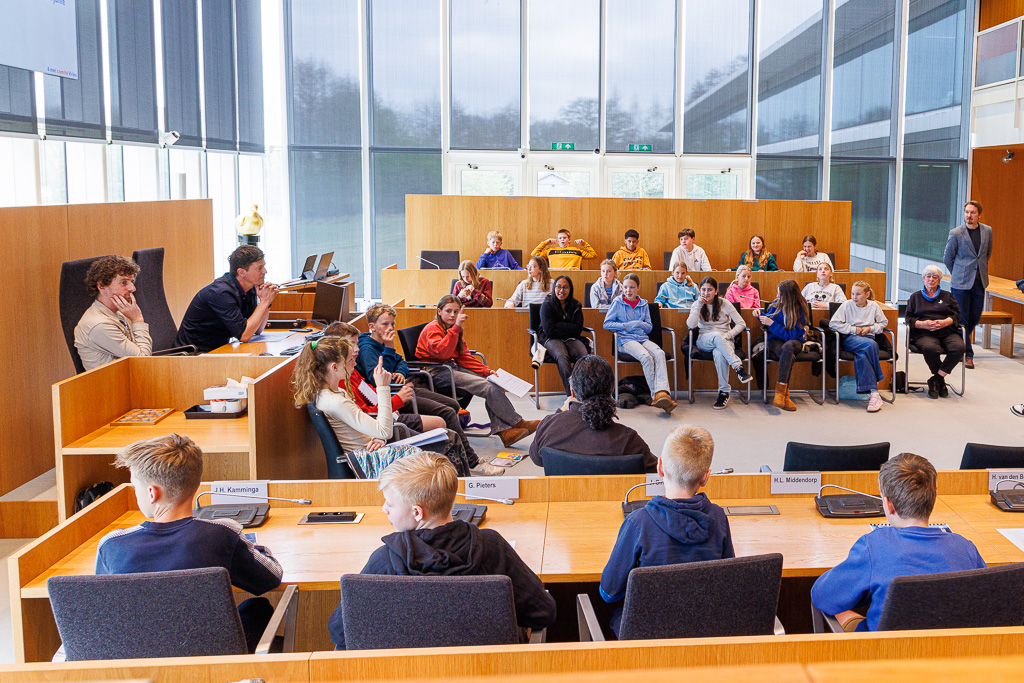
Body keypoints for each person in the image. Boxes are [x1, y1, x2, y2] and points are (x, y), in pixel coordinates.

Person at [326, 452, 557, 649]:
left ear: (417, 512)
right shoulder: (491, 546)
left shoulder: (386, 560)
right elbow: (543, 612)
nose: (384, 509)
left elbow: (340, 631)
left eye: (390, 503)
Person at [95, 434, 282, 653]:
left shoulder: (112, 545)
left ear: (151, 493)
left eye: (135, 488)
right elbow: (271, 578)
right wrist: (253, 546)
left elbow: (101, 607)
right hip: (212, 658)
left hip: (135, 658)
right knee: (258, 608)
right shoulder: (222, 534)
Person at [811, 453, 985, 632]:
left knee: (842, 611)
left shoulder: (874, 546)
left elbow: (822, 596)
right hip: (953, 648)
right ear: (933, 498)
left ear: (888, 504)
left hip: (884, 648)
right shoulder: (966, 548)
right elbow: (987, 601)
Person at [599, 425, 733, 636]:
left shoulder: (639, 523)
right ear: (705, 477)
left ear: (659, 467)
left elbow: (609, 591)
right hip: (703, 635)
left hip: (648, 639)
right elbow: (729, 582)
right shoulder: (718, 518)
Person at [325, 323, 500, 476]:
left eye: (356, 343)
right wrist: (395, 399)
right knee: (447, 426)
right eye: (351, 344)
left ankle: (466, 467)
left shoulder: (349, 373)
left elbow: (398, 364)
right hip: (388, 417)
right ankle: (469, 466)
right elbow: (371, 414)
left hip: (390, 407)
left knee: (450, 410)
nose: (356, 349)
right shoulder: (343, 381)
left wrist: (397, 370)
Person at [291, 336, 448, 476]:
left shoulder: (334, 393)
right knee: (447, 442)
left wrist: (377, 438)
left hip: (372, 449)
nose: (355, 363)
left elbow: (372, 429)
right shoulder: (336, 402)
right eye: (350, 360)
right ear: (334, 367)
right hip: (368, 460)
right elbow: (385, 431)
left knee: (445, 437)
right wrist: (383, 387)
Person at [416, 296, 539, 447]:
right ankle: (517, 423)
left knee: (493, 382)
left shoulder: (453, 328)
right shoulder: (433, 328)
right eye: (448, 311)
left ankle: (505, 432)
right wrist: (456, 328)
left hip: (449, 367)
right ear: (439, 311)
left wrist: (486, 371)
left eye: (456, 311)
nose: (453, 315)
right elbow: (442, 353)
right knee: (488, 388)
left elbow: (464, 357)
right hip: (435, 371)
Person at [529, 356, 655, 472]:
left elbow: (537, 459)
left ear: (572, 391)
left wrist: (558, 414)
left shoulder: (548, 427)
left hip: (564, 490)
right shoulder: (628, 440)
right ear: (611, 389)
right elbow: (658, 471)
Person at [174, 245, 279, 352]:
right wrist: (264, 302)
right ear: (242, 272)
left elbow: (257, 329)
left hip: (217, 350)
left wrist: (266, 302)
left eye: (264, 267)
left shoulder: (250, 288)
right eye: (259, 268)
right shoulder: (221, 293)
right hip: (193, 354)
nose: (265, 271)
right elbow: (244, 335)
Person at [604, 273, 677, 415]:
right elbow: (607, 324)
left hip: (642, 338)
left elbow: (649, 327)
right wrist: (626, 326)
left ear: (638, 288)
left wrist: (639, 324)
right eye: (625, 287)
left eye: (632, 287)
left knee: (659, 353)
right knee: (646, 357)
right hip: (625, 340)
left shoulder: (643, 304)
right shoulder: (617, 302)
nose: (628, 290)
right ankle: (656, 395)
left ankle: (663, 393)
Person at [74, 255, 153, 370]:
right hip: (115, 381)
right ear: (102, 286)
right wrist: (137, 320)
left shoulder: (118, 312)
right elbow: (143, 360)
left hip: (130, 375)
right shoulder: (99, 325)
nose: (132, 288)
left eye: (132, 281)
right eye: (123, 283)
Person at [688, 277, 753, 410]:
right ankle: (738, 367)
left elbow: (741, 323)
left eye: (710, 290)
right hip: (704, 340)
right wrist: (698, 305)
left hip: (725, 340)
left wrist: (728, 335)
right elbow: (690, 325)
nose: (706, 293)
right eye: (703, 290)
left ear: (716, 291)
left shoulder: (725, 303)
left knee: (719, 353)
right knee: (717, 336)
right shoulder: (697, 304)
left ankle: (724, 392)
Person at [943, 200, 992, 369]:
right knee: (962, 318)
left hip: (979, 281)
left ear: (979, 215)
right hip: (960, 283)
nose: (969, 215)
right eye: (967, 212)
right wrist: (958, 272)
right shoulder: (956, 233)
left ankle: (954, 342)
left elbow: (986, 255)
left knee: (975, 317)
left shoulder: (987, 231)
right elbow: (947, 258)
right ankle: (967, 354)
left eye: (972, 212)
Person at [905, 265, 965, 400]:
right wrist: (922, 324)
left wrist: (945, 322)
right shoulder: (915, 297)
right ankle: (940, 381)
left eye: (934, 277)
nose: (931, 279)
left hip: (947, 331)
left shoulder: (948, 296)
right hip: (923, 333)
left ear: (939, 280)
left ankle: (936, 379)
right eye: (928, 276)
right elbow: (908, 318)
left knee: (959, 347)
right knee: (930, 348)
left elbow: (957, 315)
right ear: (923, 278)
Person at [828, 281, 889, 413]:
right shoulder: (847, 305)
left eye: (858, 294)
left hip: (868, 337)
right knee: (871, 345)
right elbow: (833, 324)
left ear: (867, 294)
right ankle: (875, 382)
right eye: (852, 294)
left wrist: (870, 328)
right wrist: (853, 329)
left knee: (862, 355)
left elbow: (883, 323)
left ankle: (873, 393)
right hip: (851, 338)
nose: (854, 297)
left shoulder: (874, 306)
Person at [758, 281, 809, 412]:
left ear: (788, 296)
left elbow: (790, 336)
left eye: (780, 294)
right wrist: (759, 315)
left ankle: (780, 391)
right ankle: (784, 395)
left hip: (794, 341)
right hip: (776, 341)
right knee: (788, 355)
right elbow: (768, 319)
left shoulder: (800, 309)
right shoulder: (776, 304)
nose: (777, 296)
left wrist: (772, 324)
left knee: (788, 347)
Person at [539, 276, 589, 396]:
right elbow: (549, 331)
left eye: (565, 287)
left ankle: (580, 391)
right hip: (551, 339)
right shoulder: (547, 304)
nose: (561, 290)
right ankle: (571, 395)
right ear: (554, 288)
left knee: (583, 356)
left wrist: (559, 325)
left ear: (570, 289)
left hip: (571, 338)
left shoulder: (576, 305)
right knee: (562, 357)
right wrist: (568, 328)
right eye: (559, 287)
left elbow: (578, 329)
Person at [531, 228, 596, 270]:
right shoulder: (551, 251)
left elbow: (593, 255)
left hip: (573, 276)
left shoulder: (577, 250)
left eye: (564, 238)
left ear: (569, 239)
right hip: (555, 276)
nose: (562, 239)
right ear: (557, 241)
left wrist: (584, 244)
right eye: (560, 238)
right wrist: (545, 243)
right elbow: (534, 254)